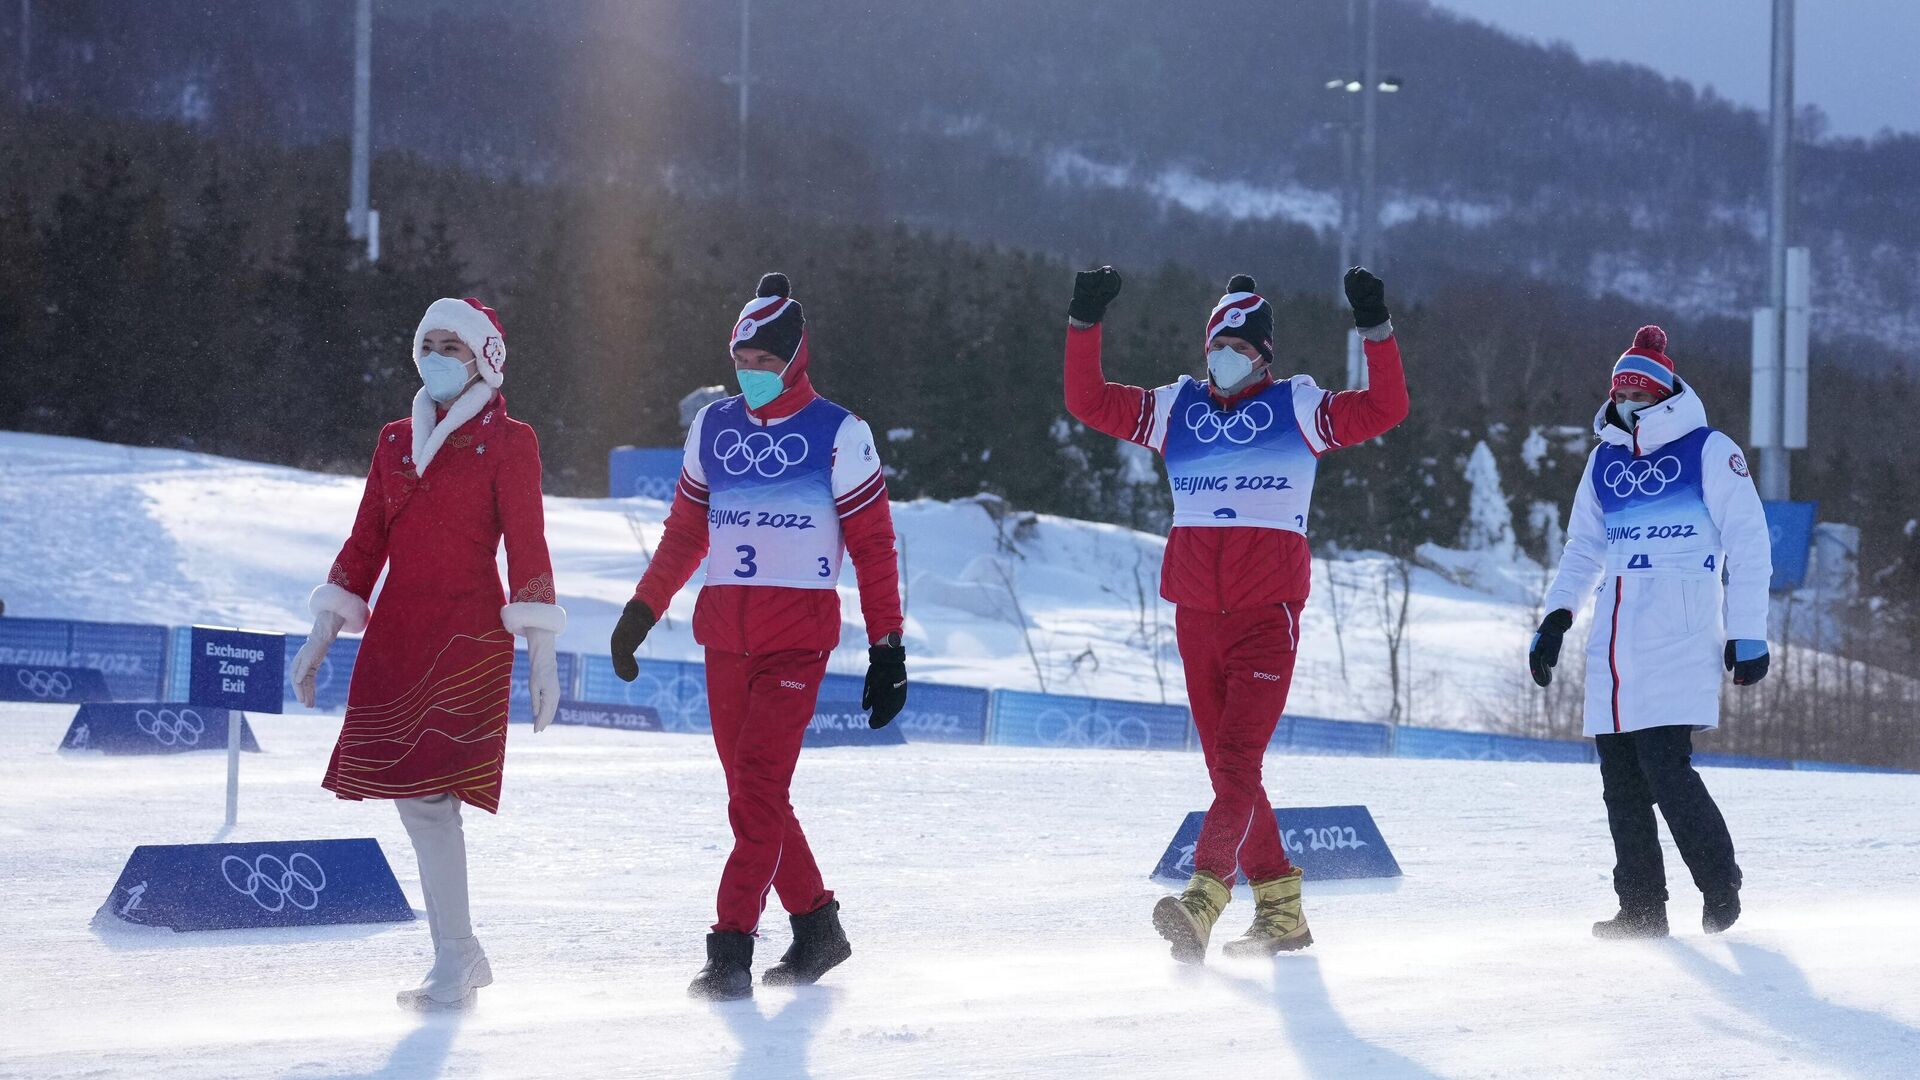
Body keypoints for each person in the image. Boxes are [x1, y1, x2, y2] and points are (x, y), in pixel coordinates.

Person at [1064, 266, 1409, 962]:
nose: (1223, 358)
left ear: (1264, 355)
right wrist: (1083, 323)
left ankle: (1205, 896)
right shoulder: (1177, 409)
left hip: (1265, 615)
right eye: (1215, 345)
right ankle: (1281, 910)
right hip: (1195, 615)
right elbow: (1088, 401)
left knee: (1237, 757)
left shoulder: (1298, 409)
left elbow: (1385, 408)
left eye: (1238, 348)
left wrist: (1375, 328)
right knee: (1231, 775)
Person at [609, 272, 908, 1000]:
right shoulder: (713, 428)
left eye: (766, 363)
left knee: (758, 793)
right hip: (724, 640)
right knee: (755, 798)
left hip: (795, 645)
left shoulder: (840, 433)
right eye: (742, 361)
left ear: (795, 359)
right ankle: (817, 927)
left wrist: (887, 647)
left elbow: (873, 547)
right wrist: (640, 613)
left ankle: (730, 950)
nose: (752, 375)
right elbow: (684, 534)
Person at [289, 297, 565, 1009]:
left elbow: (529, 545)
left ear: (485, 358)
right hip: (398, 632)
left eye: (454, 344)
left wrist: (541, 649)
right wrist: (322, 631)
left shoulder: (512, 440)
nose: (438, 354)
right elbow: (365, 543)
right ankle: (459, 957)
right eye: (428, 342)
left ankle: (457, 957)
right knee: (418, 803)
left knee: (429, 799)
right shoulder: (391, 442)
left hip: (469, 632)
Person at [1529, 325, 1770, 939]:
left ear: (1664, 395)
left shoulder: (1710, 450)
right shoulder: (1603, 459)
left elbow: (1749, 541)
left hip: (1680, 628)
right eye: (1621, 389)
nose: (1628, 400)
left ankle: (1719, 884)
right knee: (1621, 782)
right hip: (1614, 637)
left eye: (1641, 390)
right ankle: (1640, 908)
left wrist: (1749, 631)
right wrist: (1557, 618)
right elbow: (1583, 547)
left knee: (1666, 769)